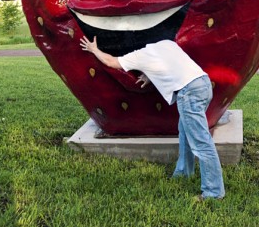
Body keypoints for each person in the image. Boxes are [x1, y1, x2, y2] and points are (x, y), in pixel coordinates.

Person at [80, 36, 225, 200]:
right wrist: (150, 75)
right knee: (185, 132)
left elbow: (110, 61)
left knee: (201, 142)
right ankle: (184, 172)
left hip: (189, 93)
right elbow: (170, 65)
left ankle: (213, 192)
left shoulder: (141, 55)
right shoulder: (167, 44)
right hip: (203, 85)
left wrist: (94, 49)